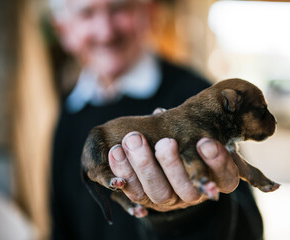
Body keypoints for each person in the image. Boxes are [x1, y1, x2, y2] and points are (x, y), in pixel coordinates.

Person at [49, 0, 263, 239]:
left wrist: (186, 214)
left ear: (148, 13)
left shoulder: (197, 95)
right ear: (63, 29)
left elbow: (249, 230)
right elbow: (61, 221)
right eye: (87, 14)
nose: (106, 31)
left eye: (119, 8)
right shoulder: (70, 111)